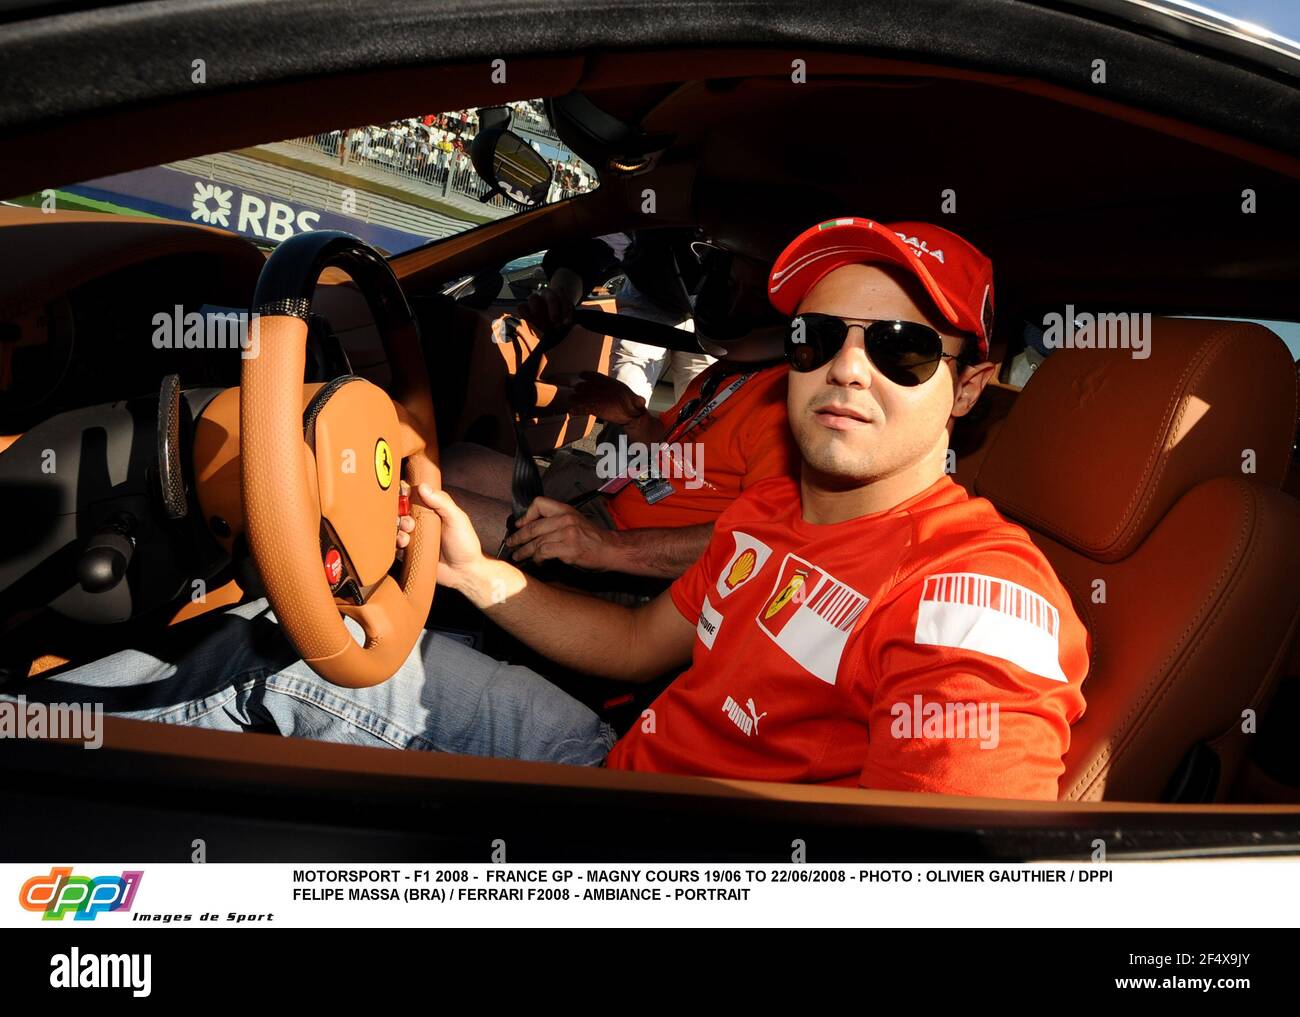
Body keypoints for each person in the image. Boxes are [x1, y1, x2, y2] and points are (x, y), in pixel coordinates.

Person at [14, 217, 1088, 800]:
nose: (847, 371)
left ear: (972, 385)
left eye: (900, 349)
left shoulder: (975, 596)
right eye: (818, 339)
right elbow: (632, 644)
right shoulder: (772, 508)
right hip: (613, 760)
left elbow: (943, 886)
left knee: (288, 667)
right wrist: (474, 576)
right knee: (292, 637)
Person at [441, 231, 798, 579]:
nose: (737, 307)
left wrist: (608, 548)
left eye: (757, 295)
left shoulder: (787, 404)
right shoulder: (728, 372)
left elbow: (756, 539)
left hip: (628, 557)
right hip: (613, 495)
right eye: (730, 287)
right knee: (457, 461)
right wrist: (635, 420)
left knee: (430, 508)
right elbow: (681, 457)